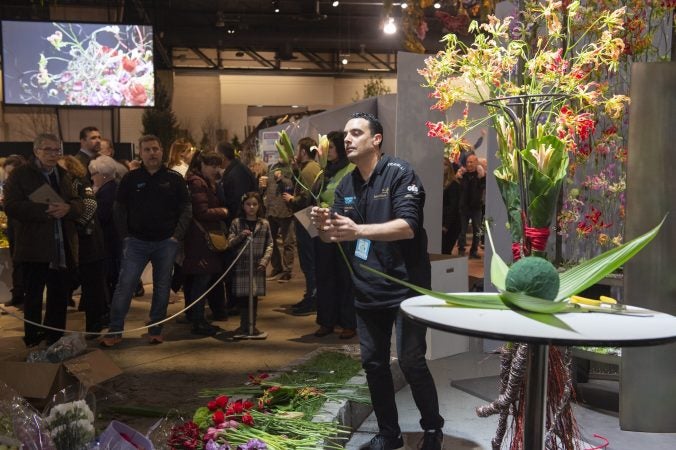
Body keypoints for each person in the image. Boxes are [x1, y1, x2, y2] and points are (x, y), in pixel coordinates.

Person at [311, 112, 444, 450]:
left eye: (356, 133)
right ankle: (390, 433)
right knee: (373, 364)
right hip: (367, 288)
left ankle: (432, 429)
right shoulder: (345, 184)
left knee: (412, 361)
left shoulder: (400, 173)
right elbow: (336, 238)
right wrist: (324, 228)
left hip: (407, 288)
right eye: (345, 135)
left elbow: (408, 226)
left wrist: (358, 230)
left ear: (376, 139)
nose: (348, 139)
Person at [101, 134, 192, 347]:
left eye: (155, 149)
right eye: (147, 150)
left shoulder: (174, 178)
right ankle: (115, 330)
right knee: (125, 285)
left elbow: (186, 208)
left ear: (161, 151)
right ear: (140, 153)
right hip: (136, 242)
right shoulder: (130, 179)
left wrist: (176, 236)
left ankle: (156, 329)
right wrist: (125, 236)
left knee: (162, 287)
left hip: (166, 243)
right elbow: (119, 208)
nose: (152, 153)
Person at [4, 133, 84, 347]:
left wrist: (69, 209)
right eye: (47, 150)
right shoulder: (21, 175)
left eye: (57, 150)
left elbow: (80, 203)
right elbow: (11, 206)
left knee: (59, 295)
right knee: (33, 296)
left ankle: (55, 335)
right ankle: (32, 336)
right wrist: (45, 210)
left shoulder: (65, 174)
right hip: (34, 246)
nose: (53, 154)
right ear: (36, 150)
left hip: (61, 247)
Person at [312, 131, 356, 339]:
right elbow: (314, 196)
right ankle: (326, 321)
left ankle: (348, 322)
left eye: (330, 147)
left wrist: (335, 210)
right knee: (324, 275)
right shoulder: (323, 171)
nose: (326, 151)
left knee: (345, 276)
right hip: (323, 230)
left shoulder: (352, 169)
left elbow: (355, 199)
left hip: (342, 228)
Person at [58, 155, 107, 336]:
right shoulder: (61, 185)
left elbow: (89, 205)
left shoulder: (79, 183)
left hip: (88, 243)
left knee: (92, 286)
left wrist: (75, 223)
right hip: (74, 243)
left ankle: (94, 325)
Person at [182, 151, 229, 336]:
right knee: (201, 279)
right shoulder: (197, 183)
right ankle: (198, 321)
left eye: (217, 166)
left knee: (202, 279)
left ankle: (198, 318)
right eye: (212, 165)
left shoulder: (204, 182)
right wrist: (223, 212)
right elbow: (201, 211)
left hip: (202, 238)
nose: (215, 169)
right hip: (200, 239)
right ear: (202, 165)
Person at [283, 137, 320, 316]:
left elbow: (305, 198)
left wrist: (291, 200)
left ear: (303, 152)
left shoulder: (307, 171)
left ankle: (312, 298)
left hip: (306, 218)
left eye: (298, 150)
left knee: (309, 261)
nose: (296, 154)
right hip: (311, 218)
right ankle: (311, 296)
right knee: (311, 260)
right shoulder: (314, 168)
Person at [228, 191, 273, 339]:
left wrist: (264, 261)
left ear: (259, 206)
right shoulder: (236, 223)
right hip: (241, 266)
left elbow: (270, 244)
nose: (251, 207)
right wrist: (241, 236)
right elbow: (230, 242)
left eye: (254, 204)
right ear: (243, 205)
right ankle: (243, 325)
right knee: (243, 298)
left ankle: (252, 326)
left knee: (254, 297)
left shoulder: (264, 224)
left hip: (257, 267)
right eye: (248, 204)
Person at [89, 156, 122, 308]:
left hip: (109, 241)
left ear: (103, 174)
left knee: (110, 276)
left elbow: (101, 216)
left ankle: (110, 308)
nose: (91, 177)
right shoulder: (113, 187)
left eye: (93, 174)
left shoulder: (107, 192)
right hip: (113, 240)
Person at [261, 159, 295, 283]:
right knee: (271, 242)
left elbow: (293, 186)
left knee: (288, 242)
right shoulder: (272, 167)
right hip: (271, 210)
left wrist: (282, 179)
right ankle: (277, 267)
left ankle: (287, 271)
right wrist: (262, 186)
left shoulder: (292, 167)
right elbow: (267, 188)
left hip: (286, 210)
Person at [1, 154, 28, 309]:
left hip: (23, 227)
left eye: (11, 173)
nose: (8, 177)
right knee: (15, 260)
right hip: (13, 225)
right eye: (7, 173)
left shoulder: (26, 186)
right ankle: (18, 294)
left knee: (23, 261)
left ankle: (25, 296)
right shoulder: (7, 186)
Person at [457, 153, 485, 258]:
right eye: (468, 162)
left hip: (476, 208)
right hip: (464, 208)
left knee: (477, 231)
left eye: (471, 162)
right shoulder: (462, 175)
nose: (469, 164)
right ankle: (461, 250)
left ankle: (474, 251)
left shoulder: (481, 176)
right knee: (462, 230)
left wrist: (481, 177)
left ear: (476, 163)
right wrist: (458, 176)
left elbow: (483, 187)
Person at [441, 156, 461, 255]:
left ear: (449, 167)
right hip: (440, 222)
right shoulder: (438, 182)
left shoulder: (454, 184)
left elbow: (453, 207)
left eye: (445, 165)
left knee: (445, 251)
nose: (442, 167)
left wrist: (446, 225)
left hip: (451, 224)